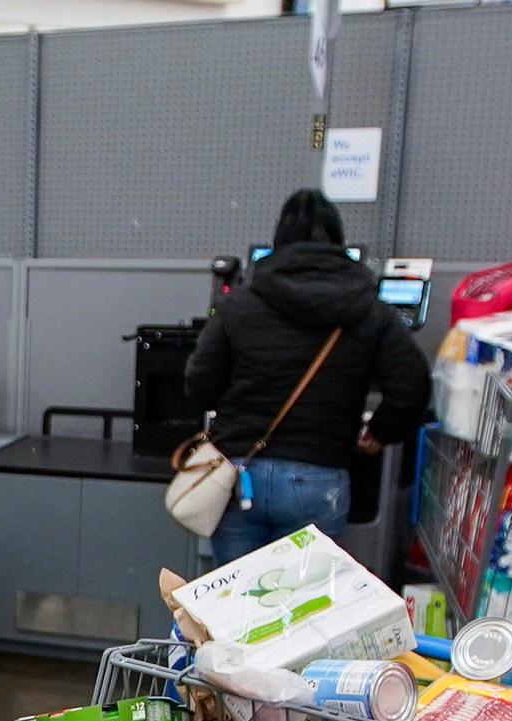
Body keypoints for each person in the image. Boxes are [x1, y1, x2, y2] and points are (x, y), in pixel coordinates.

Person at [185, 188, 431, 563]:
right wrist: (380, 433)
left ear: (277, 242)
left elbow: (198, 387)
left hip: (237, 475)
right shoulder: (370, 311)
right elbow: (412, 386)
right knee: (303, 614)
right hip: (320, 478)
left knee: (232, 611)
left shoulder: (239, 304)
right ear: (339, 243)